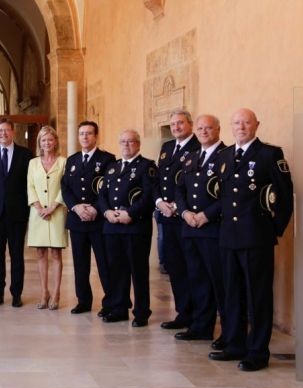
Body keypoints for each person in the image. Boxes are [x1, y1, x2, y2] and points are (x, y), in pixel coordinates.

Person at [208, 108, 293, 372]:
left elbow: (285, 197)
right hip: (228, 238)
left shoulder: (270, 155)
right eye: (237, 123)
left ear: (256, 125)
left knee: (258, 297)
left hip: (257, 238)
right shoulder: (224, 156)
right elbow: (221, 198)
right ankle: (235, 344)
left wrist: (271, 230)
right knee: (232, 293)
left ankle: (257, 352)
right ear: (231, 127)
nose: (241, 126)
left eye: (246, 122)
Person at [174, 115, 228, 347]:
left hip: (213, 228)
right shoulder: (191, 158)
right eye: (200, 128)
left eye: (209, 128)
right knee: (197, 279)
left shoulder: (227, 155)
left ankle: (229, 332)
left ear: (218, 129)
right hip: (191, 228)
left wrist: (206, 215)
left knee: (220, 282)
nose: (204, 131)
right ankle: (202, 326)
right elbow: (180, 190)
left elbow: (229, 194)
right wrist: (185, 213)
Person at [97, 129, 157, 327]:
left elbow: (148, 196)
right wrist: (106, 213)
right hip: (112, 227)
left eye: (130, 142)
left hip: (135, 227)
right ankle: (119, 307)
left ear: (138, 144)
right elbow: (102, 194)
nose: (126, 145)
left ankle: (141, 312)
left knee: (138, 271)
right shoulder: (112, 167)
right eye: (122, 141)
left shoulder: (146, 166)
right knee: (117, 270)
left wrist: (130, 214)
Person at [61, 120, 116, 315]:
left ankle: (110, 302)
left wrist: (94, 208)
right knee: (80, 264)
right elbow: (65, 187)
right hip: (77, 220)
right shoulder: (73, 160)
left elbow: (108, 189)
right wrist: (76, 207)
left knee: (104, 263)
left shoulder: (108, 159)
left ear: (96, 136)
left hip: (99, 220)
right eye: (82, 133)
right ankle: (83, 301)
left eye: (89, 133)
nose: (85, 137)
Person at [0, 118, 33, 307]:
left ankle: (16, 294)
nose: (3, 134)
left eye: (6, 130)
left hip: (18, 214)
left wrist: (29, 210)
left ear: (13, 131)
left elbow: (29, 185)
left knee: (17, 255)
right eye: (0, 131)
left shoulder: (26, 155)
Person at [155, 109, 200, 331]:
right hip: (166, 218)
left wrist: (177, 206)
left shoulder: (198, 147)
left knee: (192, 267)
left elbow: (196, 186)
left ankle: (197, 316)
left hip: (186, 218)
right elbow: (158, 179)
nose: (176, 127)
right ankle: (183, 312)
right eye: (172, 124)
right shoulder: (166, 148)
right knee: (175, 267)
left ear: (190, 124)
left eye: (180, 123)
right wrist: (159, 202)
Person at [26, 126, 67, 310]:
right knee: (40, 252)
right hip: (37, 214)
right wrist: (38, 207)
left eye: (50, 140)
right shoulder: (33, 163)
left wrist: (52, 206)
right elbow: (30, 186)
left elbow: (65, 187)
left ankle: (56, 293)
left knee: (56, 253)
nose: (47, 143)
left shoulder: (63, 162)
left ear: (55, 141)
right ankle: (44, 292)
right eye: (43, 140)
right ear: (39, 143)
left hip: (57, 212)